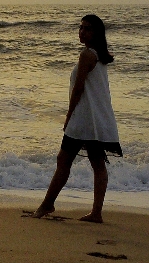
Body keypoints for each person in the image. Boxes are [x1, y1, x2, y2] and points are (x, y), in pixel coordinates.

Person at [31, 14, 121, 223]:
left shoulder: (88, 55)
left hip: (84, 120)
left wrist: (69, 115)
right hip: (96, 120)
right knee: (96, 164)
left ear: (96, 32)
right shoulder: (99, 55)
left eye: (87, 28)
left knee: (64, 160)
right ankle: (96, 212)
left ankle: (47, 204)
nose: (82, 31)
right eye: (80, 27)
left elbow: (78, 89)